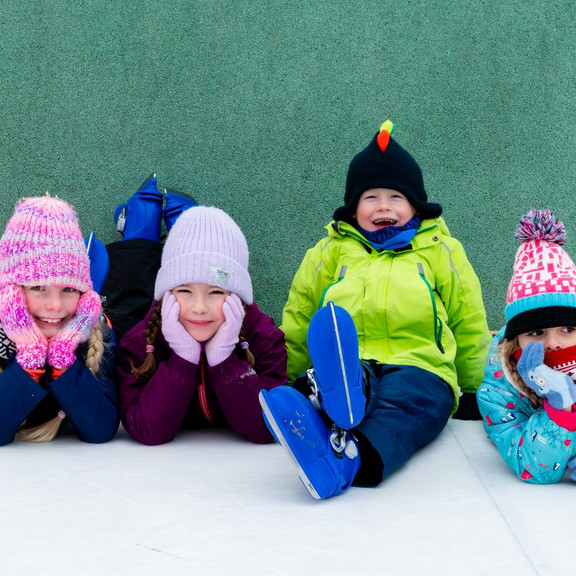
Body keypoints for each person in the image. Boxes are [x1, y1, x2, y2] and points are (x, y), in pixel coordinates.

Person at [259, 120, 491, 499]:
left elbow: (467, 317)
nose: (383, 205)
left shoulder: (440, 250)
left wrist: (472, 387)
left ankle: (347, 456)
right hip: (353, 361)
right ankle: (327, 398)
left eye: (395, 197)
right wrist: (288, 371)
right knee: (342, 375)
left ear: (415, 204)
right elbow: (301, 314)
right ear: (354, 208)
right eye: (371, 197)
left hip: (420, 366)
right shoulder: (330, 252)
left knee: (405, 409)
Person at [116, 205, 288, 446]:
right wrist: (183, 359)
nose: (199, 307)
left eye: (215, 292)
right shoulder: (142, 342)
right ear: (167, 294)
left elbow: (267, 429)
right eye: (185, 290)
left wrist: (224, 362)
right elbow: (145, 428)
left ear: (236, 296)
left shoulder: (263, 336)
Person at [0, 194, 119, 445]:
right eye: (38, 287)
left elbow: (101, 428)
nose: (54, 306)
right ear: (10, 291)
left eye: (68, 289)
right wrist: (30, 352)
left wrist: (63, 355)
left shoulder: (96, 333)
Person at [477, 209, 576, 484]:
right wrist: (560, 406)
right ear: (514, 340)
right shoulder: (498, 391)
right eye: (536, 332)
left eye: (568, 329)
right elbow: (534, 468)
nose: (553, 343)